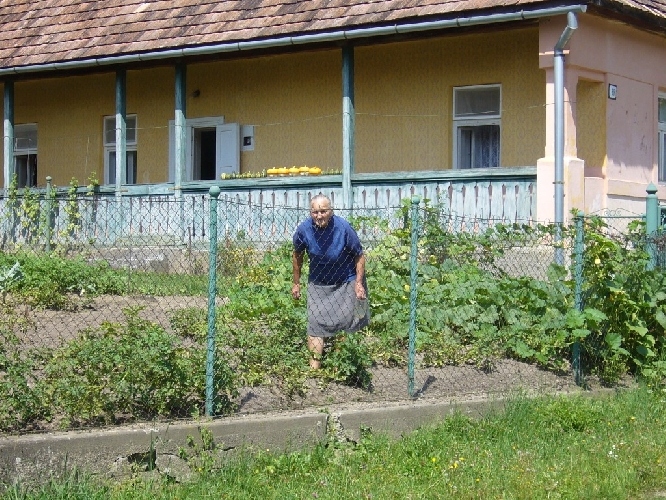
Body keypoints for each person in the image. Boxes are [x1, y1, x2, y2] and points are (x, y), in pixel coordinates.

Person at [292, 194, 369, 369]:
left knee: (346, 323)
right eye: (315, 212)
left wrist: (358, 283)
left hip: (346, 280)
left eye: (323, 211)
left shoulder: (343, 227)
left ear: (331, 211)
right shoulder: (304, 229)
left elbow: (359, 255)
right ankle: (314, 370)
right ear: (310, 212)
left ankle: (341, 367)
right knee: (315, 323)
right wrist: (296, 283)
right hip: (318, 282)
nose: (319, 216)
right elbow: (297, 255)